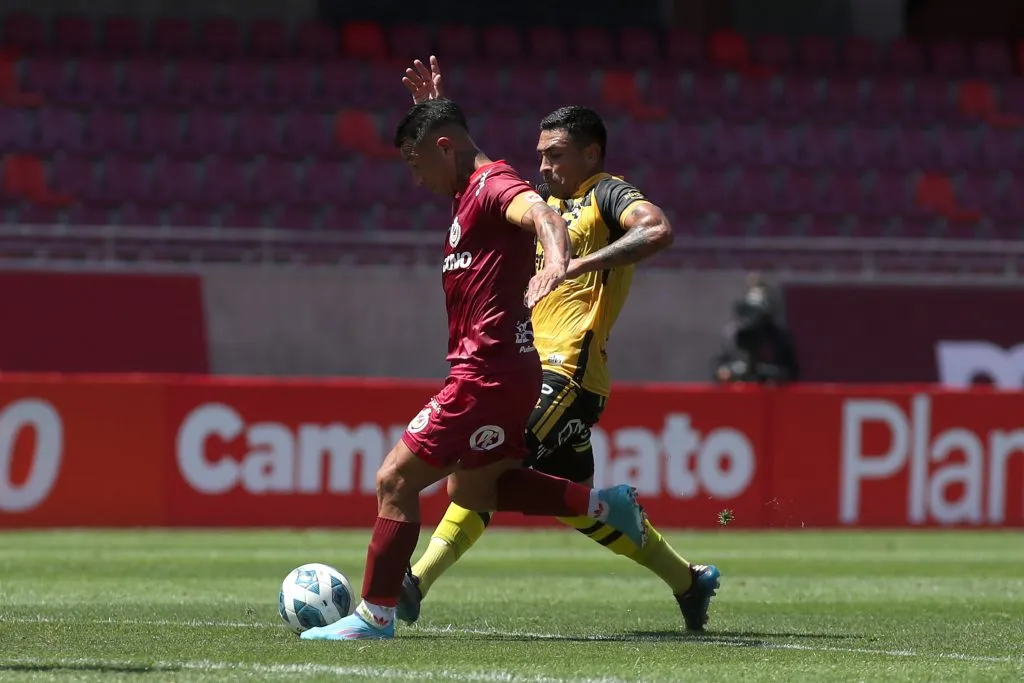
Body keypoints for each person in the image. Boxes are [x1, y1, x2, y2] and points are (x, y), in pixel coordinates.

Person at [300, 98, 648, 641]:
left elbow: (544, 214)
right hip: (509, 373)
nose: (416, 181)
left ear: (443, 149)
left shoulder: (492, 186)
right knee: (477, 489)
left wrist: (556, 259)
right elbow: (458, 145)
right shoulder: (470, 189)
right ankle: (604, 505)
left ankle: (375, 614)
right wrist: (432, 108)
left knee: (394, 479)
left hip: (484, 375)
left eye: (417, 165)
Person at [395, 57, 721, 632]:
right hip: (528, 366)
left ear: (591, 155)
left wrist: (576, 264)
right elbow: (474, 167)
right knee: (573, 504)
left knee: (480, 475)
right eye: (539, 154)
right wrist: (435, 112)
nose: (543, 165)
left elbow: (658, 229)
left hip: (565, 372)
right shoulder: (541, 204)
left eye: (556, 154)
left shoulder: (607, 195)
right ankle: (688, 581)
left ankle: (414, 582)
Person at [713, 274, 800, 385]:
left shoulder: (779, 336)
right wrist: (729, 372)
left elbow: (792, 372)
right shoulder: (733, 334)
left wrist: (769, 373)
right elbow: (719, 369)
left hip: (770, 398)